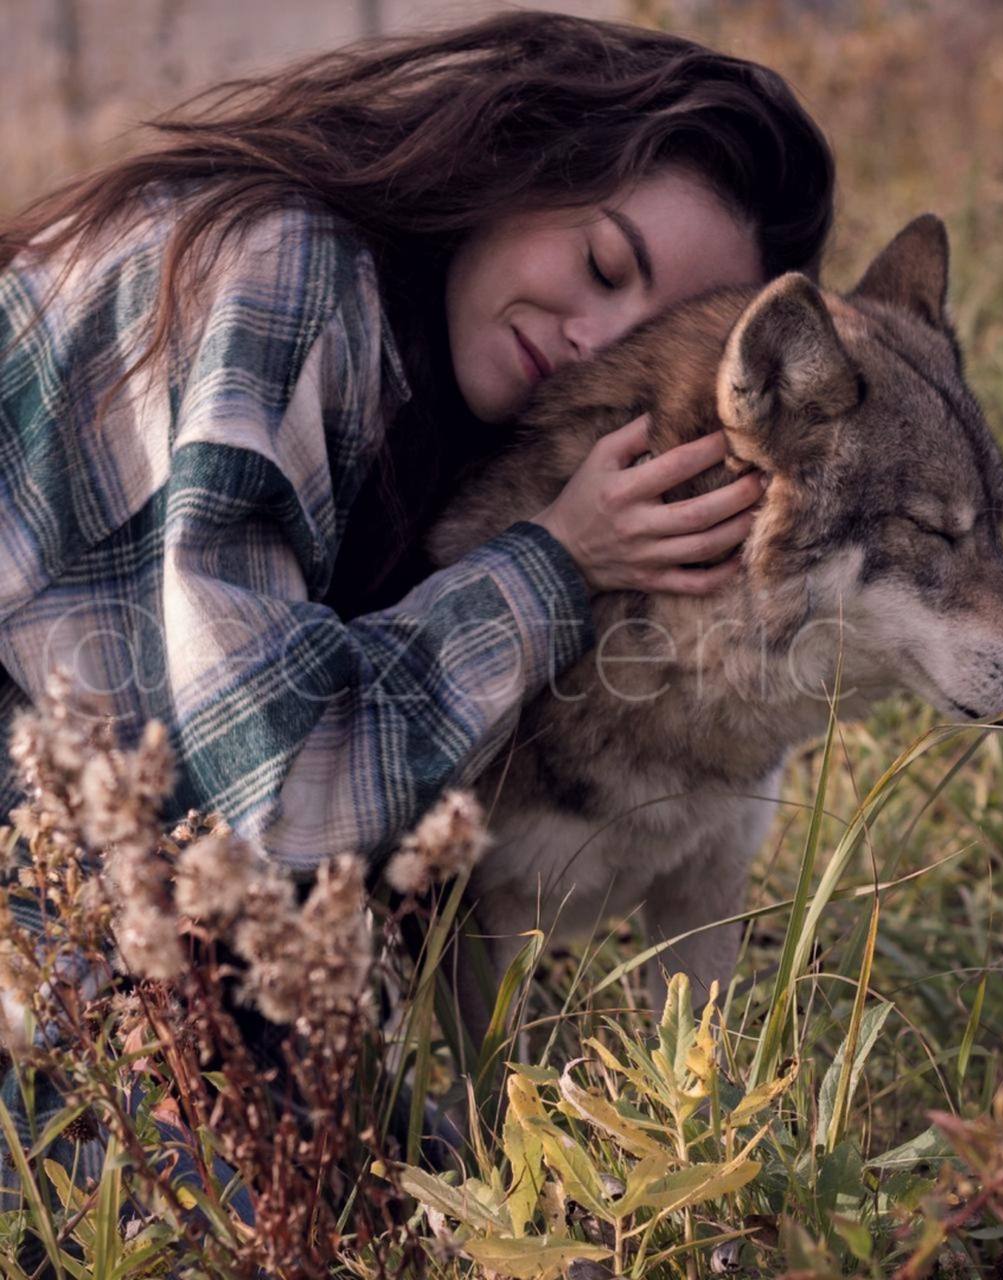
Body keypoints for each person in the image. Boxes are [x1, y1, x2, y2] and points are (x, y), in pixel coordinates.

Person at [0, 7, 835, 1246]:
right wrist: (554, 562)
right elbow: (280, 789)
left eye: (651, 333)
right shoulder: (278, 264)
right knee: (265, 1227)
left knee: (433, 1198)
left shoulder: (410, 345)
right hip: (56, 893)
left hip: (103, 875)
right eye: (603, 265)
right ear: (520, 155)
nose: (593, 341)